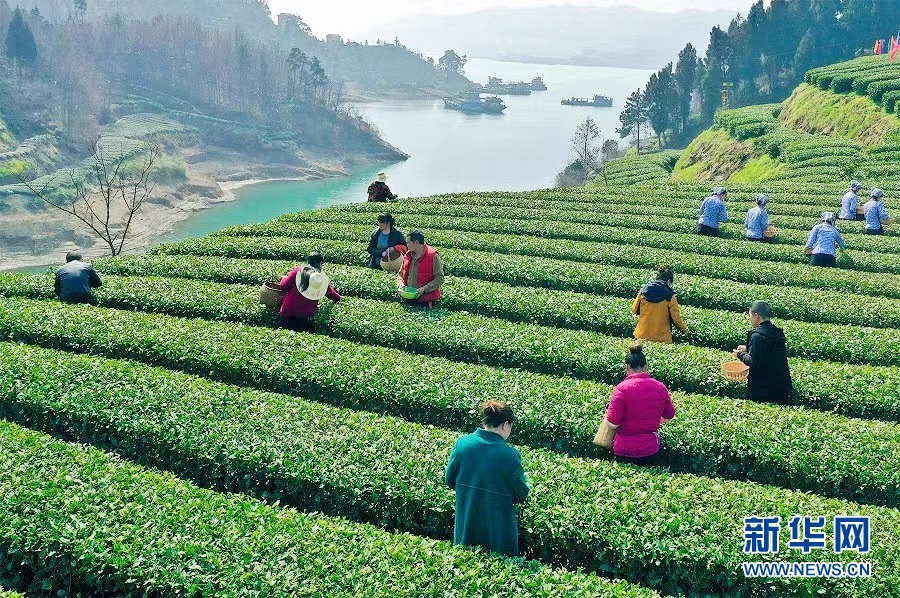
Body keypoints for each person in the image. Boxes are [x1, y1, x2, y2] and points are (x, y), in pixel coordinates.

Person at [444, 400, 530, 557]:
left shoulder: (462, 444)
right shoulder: (510, 455)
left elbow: (449, 480)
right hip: (498, 538)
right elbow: (521, 494)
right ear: (506, 425)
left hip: (466, 530)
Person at [595, 344, 676, 466]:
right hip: (650, 449)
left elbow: (612, 423)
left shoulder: (621, 389)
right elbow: (669, 416)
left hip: (624, 449)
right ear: (646, 367)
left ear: (627, 368)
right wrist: (653, 421)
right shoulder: (660, 387)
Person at [731, 301, 793, 405]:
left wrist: (739, 354)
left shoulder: (757, 336)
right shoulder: (776, 333)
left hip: (763, 392)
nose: (750, 319)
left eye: (750, 315)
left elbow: (752, 362)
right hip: (781, 389)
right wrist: (748, 348)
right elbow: (768, 352)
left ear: (756, 316)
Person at [278, 252, 342, 332]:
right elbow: (330, 293)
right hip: (306, 316)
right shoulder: (320, 278)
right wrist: (339, 298)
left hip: (288, 312)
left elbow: (283, 286)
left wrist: (284, 278)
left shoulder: (297, 270)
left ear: (308, 261)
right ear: (321, 263)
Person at [631, 266, 687, 344]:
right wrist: (685, 330)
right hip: (662, 338)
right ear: (668, 281)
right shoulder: (670, 296)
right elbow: (676, 319)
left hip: (641, 335)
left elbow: (634, 309)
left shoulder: (643, 290)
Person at [397, 230, 444, 307]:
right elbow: (400, 274)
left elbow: (439, 278)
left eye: (408, 242)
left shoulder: (433, 256)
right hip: (408, 298)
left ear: (416, 242)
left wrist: (424, 289)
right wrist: (400, 284)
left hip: (426, 301)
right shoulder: (408, 255)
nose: (407, 245)